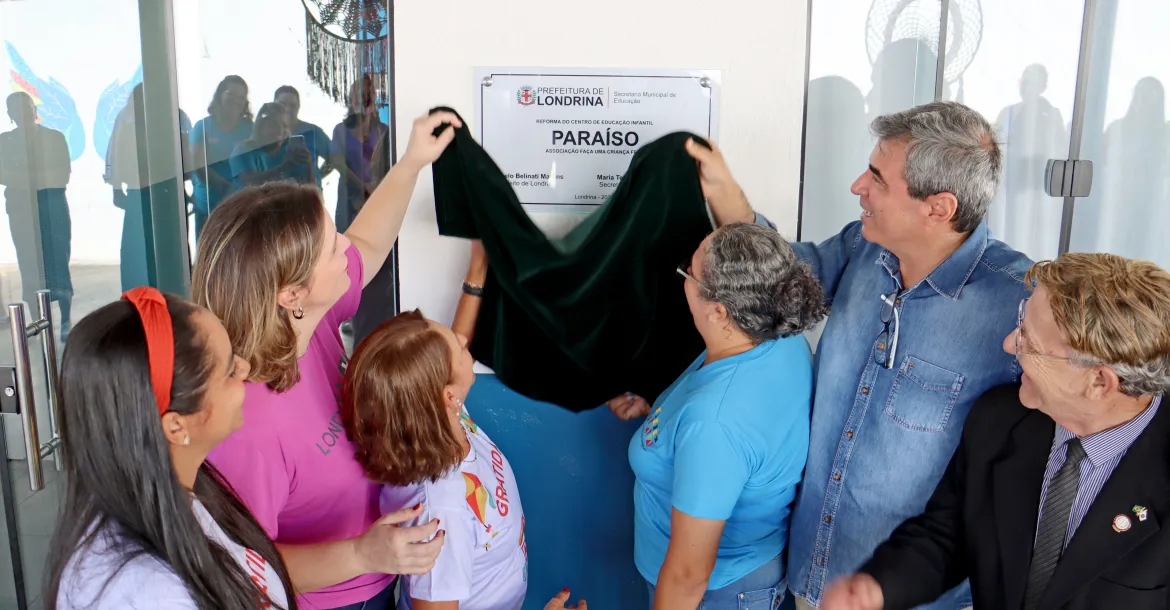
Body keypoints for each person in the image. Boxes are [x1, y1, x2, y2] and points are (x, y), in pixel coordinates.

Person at [683, 101, 1033, 609]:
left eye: (877, 179)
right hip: (811, 579)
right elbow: (774, 280)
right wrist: (725, 193)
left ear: (938, 208)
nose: (857, 187)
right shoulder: (863, 248)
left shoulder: (1021, 306)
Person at [191, 109, 463, 610]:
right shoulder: (246, 425)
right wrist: (362, 554)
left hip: (381, 576)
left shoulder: (306, 325)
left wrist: (411, 162)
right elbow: (239, 565)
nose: (345, 245)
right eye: (330, 245)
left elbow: (369, 242)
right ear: (292, 294)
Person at [823, 253, 1170, 610]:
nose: (1009, 344)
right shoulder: (999, 419)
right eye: (1021, 324)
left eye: (1030, 343)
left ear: (1099, 382)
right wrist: (879, 587)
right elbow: (947, 535)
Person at [608, 222, 828, 609]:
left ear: (719, 311)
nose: (683, 278)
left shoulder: (714, 423)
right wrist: (665, 415)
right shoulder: (779, 339)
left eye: (689, 272)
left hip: (715, 594)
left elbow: (689, 574)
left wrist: (691, 426)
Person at [44, 287, 293, 609]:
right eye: (229, 370)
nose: (245, 369)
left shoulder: (173, 493)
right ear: (176, 427)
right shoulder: (148, 594)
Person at [0, 91, 73, 336]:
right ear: (9, 114)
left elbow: (61, 174)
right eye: (16, 109)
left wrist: (24, 180)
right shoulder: (4, 141)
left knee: (58, 260)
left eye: (26, 107)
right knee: (29, 263)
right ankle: (38, 324)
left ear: (35, 110)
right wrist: (34, 180)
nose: (22, 112)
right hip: (21, 209)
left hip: (52, 205)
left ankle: (65, 321)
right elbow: (2, 174)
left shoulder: (53, 138)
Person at [190, 75, 254, 238]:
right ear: (220, 95)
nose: (236, 100)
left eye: (241, 97)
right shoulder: (202, 126)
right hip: (208, 207)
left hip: (241, 207)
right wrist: (226, 186)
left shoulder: (250, 129)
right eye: (231, 94)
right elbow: (198, 166)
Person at [229, 102, 315, 187]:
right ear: (261, 126)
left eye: (284, 126)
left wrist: (308, 164)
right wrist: (283, 167)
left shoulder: (290, 151)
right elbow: (249, 182)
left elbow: (309, 186)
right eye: (274, 125)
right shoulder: (243, 150)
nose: (280, 130)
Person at [274, 85, 334, 189]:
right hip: (277, 193)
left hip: (310, 194)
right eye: (282, 104)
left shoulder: (313, 132)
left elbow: (334, 159)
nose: (288, 109)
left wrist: (318, 176)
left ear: (298, 107)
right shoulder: (265, 133)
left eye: (293, 105)